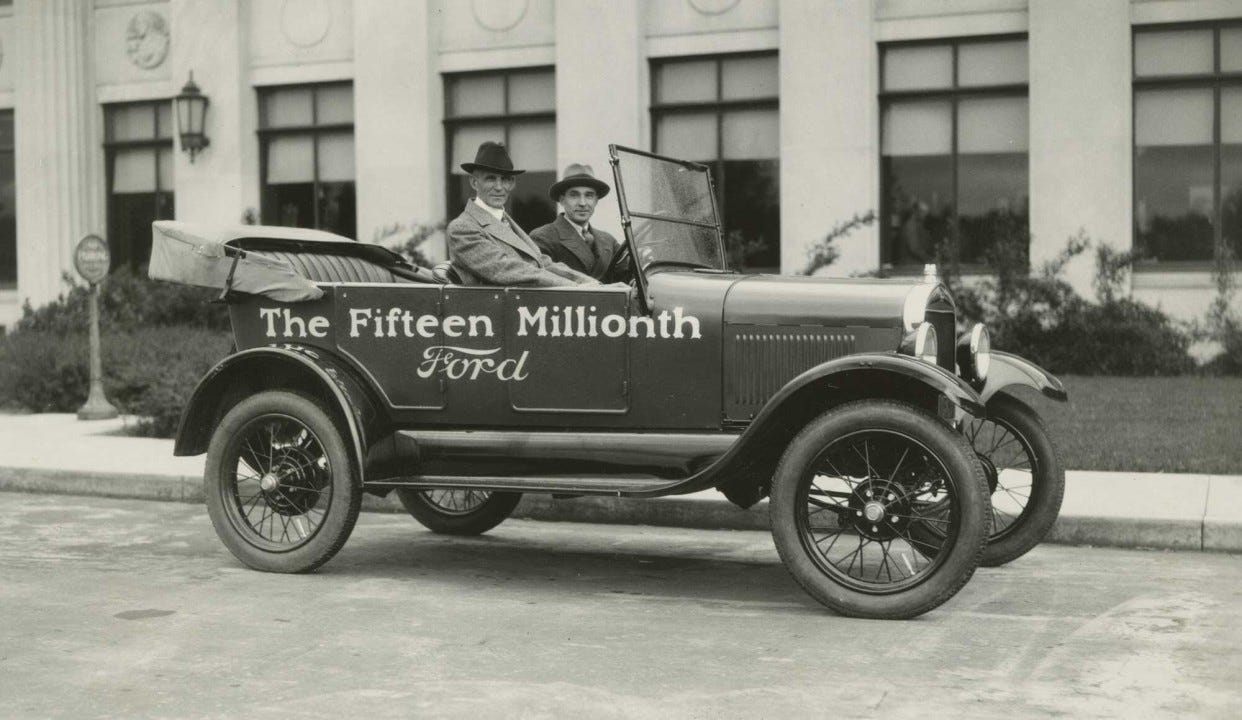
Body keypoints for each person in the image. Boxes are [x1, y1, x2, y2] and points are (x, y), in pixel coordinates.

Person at [447, 142, 600, 287]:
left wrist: (593, 285)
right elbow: (508, 270)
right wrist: (576, 287)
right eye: (491, 179)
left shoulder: (505, 221)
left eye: (506, 179)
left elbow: (543, 263)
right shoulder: (462, 228)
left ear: (512, 183)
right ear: (474, 183)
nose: (499, 187)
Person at [530, 164, 618, 280]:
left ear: (596, 200)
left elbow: (627, 275)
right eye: (574, 195)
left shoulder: (609, 241)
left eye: (589, 195)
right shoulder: (543, 237)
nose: (582, 203)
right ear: (562, 200)